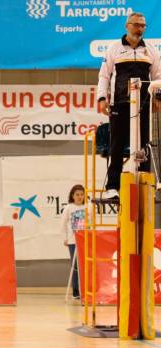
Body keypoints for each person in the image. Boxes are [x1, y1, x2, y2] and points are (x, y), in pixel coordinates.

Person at [97, 12, 161, 199]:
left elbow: (157, 78)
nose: (139, 29)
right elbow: (104, 75)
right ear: (127, 26)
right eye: (136, 25)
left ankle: (145, 187)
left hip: (144, 106)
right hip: (119, 105)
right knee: (116, 146)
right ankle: (112, 187)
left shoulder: (151, 50)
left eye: (143, 26)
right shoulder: (114, 48)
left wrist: (158, 98)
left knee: (144, 146)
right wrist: (102, 98)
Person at [61, 184, 86, 299]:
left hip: (86, 239)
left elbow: (91, 223)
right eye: (77, 194)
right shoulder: (68, 207)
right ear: (73, 195)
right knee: (75, 265)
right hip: (73, 241)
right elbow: (63, 224)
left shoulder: (88, 207)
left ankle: (86, 290)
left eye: (81, 194)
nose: (79, 197)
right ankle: (76, 292)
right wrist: (65, 238)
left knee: (85, 265)